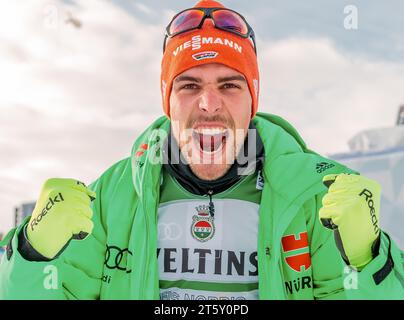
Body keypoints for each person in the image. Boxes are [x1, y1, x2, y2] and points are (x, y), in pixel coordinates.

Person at [0, 0, 403, 300]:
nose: (209, 104)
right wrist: (31, 254)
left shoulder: (316, 196)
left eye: (229, 85)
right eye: (189, 86)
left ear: (252, 100)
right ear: (168, 101)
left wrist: (370, 261)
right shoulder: (112, 198)